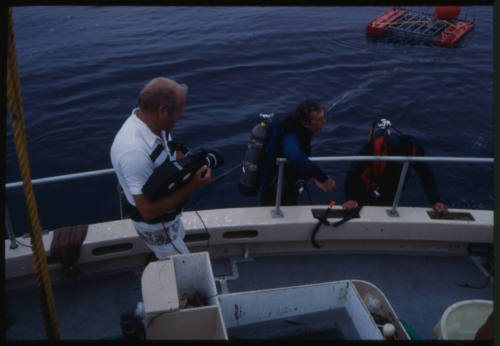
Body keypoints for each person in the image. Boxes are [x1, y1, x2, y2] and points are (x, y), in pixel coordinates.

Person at [110, 77, 211, 260]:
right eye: (179, 110)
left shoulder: (155, 126)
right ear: (162, 111)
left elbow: (168, 155)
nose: (182, 115)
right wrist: (193, 185)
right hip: (158, 228)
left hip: (171, 218)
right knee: (184, 268)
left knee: (178, 244)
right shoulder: (133, 151)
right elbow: (147, 211)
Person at [342, 118, 448, 214]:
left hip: (394, 182)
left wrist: (436, 200)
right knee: (362, 205)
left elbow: (426, 175)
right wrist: (350, 198)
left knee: (386, 203)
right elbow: (353, 172)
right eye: (399, 159)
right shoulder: (372, 147)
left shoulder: (416, 149)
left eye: (405, 159)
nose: (402, 162)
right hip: (370, 181)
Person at [260, 100, 336, 206]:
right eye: (319, 119)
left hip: (287, 185)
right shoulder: (291, 135)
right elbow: (293, 155)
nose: (324, 121)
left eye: (323, 117)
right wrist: (323, 179)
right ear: (305, 124)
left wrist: (314, 179)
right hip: (277, 191)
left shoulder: (301, 128)